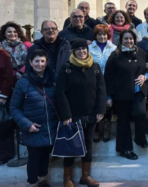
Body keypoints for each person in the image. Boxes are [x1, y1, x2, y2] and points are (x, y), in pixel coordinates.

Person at [56, 39, 106, 187]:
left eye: (84, 49)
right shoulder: (66, 68)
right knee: (71, 145)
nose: (81, 52)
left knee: (88, 144)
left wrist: (101, 110)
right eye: (78, 50)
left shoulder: (95, 67)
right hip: (72, 115)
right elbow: (60, 93)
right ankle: (67, 178)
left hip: (91, 113)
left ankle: (85, 176)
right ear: (73, 52)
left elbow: (101, 90)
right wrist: (65, 115)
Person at [10, 49, 58, 187]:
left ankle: (43, 180)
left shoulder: (53, 78)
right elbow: (14, 107)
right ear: (30, 62)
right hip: (33, 127)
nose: (40, 64)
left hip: (50, 126)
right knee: (34, 158)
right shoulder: (23, 82)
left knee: (45, 156)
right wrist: (27, 124)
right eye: (36, 61)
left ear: (47, 62)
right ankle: (33, 183)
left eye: (43, 61)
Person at [104, 30, 148, 160]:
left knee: (140, 114)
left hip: (138, 91)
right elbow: (108, 77)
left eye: (131, 39)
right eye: (126, 39)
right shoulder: (115, 55)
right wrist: (108, 96)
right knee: (123, 121)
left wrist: (145, 76)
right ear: (121, 40)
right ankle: (125, 149)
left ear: (134, 39)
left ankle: (140, 139)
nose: (128, 41)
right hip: (121, 94)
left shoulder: (141, 53)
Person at [89, 24, 117, 143]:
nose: (102, 36)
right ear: (95, 35)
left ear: (108, 35)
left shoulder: (114, 48)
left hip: (109, 80)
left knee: (108, 104)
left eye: (104, 34)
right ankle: (95, 130)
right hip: (93, 80)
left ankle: (106, 129)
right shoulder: (90, 48)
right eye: (99, 34)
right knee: (94, 103)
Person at [0, 32, 14, 165]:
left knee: (3, 124)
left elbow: (8, 77)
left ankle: (6, 154)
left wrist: (3, 96)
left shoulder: (2, 55)